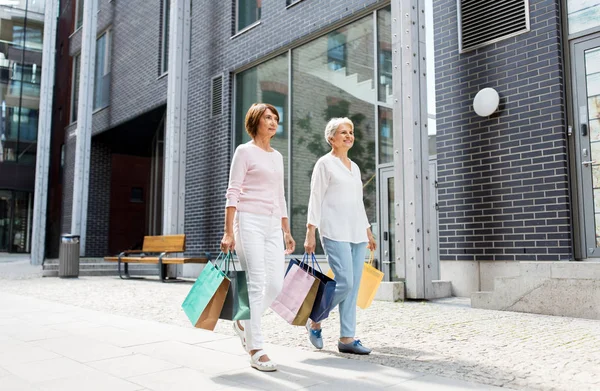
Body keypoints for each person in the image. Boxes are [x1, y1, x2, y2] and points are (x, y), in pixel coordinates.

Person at [220, 103, 295, 372]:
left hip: (273, 225)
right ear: (255, 121)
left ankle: (243, 321)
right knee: (255, 282)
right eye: (268, 117)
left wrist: (286, 229)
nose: (273, 121)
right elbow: (233, 192)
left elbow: (280, 195)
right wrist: (229, 230)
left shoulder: (277, 156)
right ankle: (256, 348)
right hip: (248, 221)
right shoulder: (245, 151)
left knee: (275, 285)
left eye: (276, 117)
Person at [304, 117, 377, 355]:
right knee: (344, 282)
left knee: (353, 287)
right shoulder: (324, 164)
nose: (348, 135)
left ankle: (347, 338)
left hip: (356, 232)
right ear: (331, 138)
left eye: (351, 132)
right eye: (343, 132)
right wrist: (310, 231)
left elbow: (357, 202)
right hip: (334, 230)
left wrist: (367, 230)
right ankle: (315, 318)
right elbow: (315, 198)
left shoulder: (354, 167)